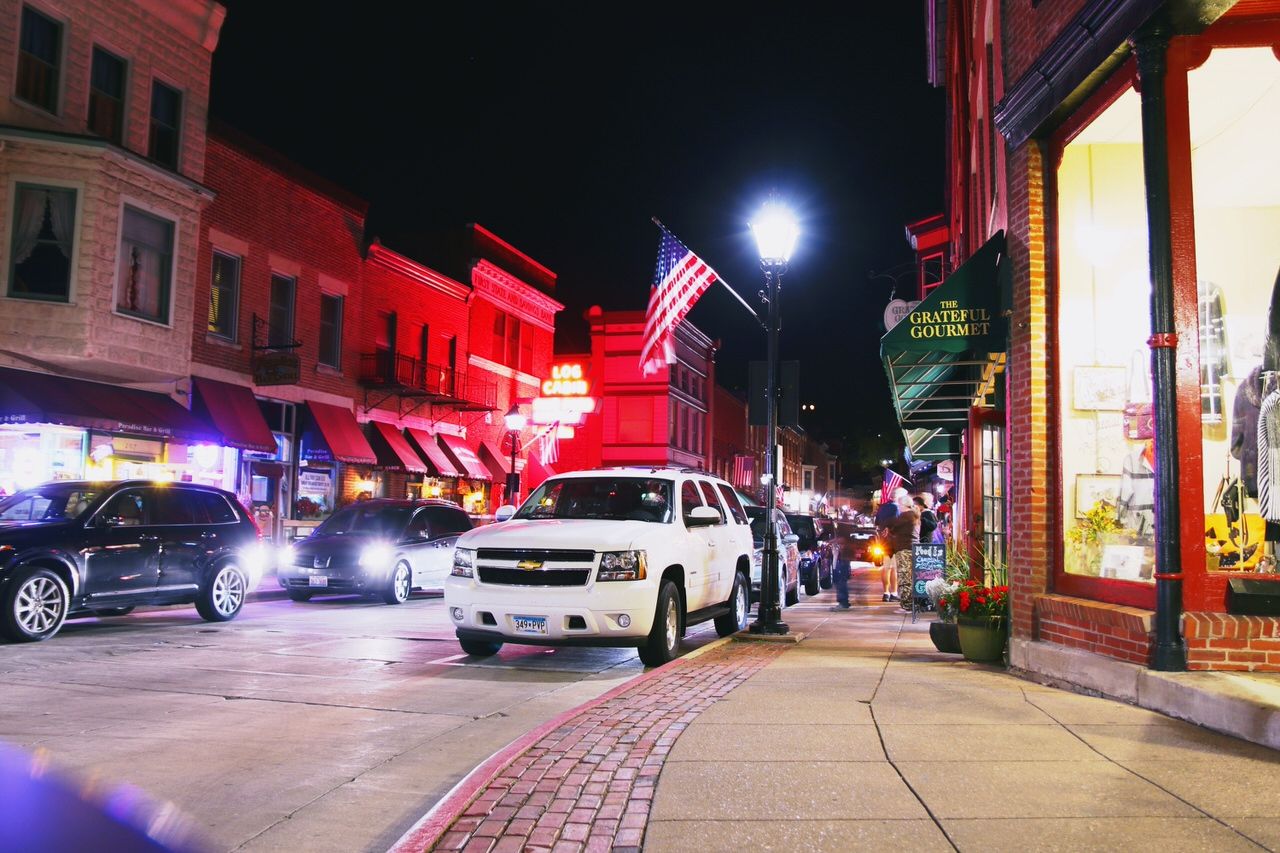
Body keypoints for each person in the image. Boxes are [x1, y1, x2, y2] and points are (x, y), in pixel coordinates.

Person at [887, 491, 920, 607]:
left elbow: (892, 526)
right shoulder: (913, 514)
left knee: (904, 574)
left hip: (904, 548)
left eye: (899, 505)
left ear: (903, 505)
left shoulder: (905, 516)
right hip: (912, 547)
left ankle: (907, 602)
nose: (899, 507)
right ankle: (910, 600)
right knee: (909, 574)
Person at [874, 490, 901, 602]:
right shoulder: (897, 508)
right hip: (895, 541)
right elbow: (898, 523)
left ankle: (886, 593)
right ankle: (894, 593)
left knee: (886, 567)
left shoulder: (882, 507)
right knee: (894, 568)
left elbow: (877, 522)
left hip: (884, 541)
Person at [829, 529, 855, 611]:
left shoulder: (844, 525)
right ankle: (844, 602)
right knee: (840, 580)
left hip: (844, 557)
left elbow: (843, 539)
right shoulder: (845, 524)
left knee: (841, 580)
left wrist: (833, 541)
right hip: (844, 557)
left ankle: (843, 602)